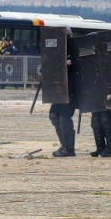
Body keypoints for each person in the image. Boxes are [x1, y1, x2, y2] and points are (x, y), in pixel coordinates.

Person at [49, 29, 77, 157]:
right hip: (58, 89)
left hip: (70, 89)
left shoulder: (74, 49)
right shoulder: (54, 51)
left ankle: (69, 148)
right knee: (54, 115)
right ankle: (64, 145)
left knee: (64, 117)